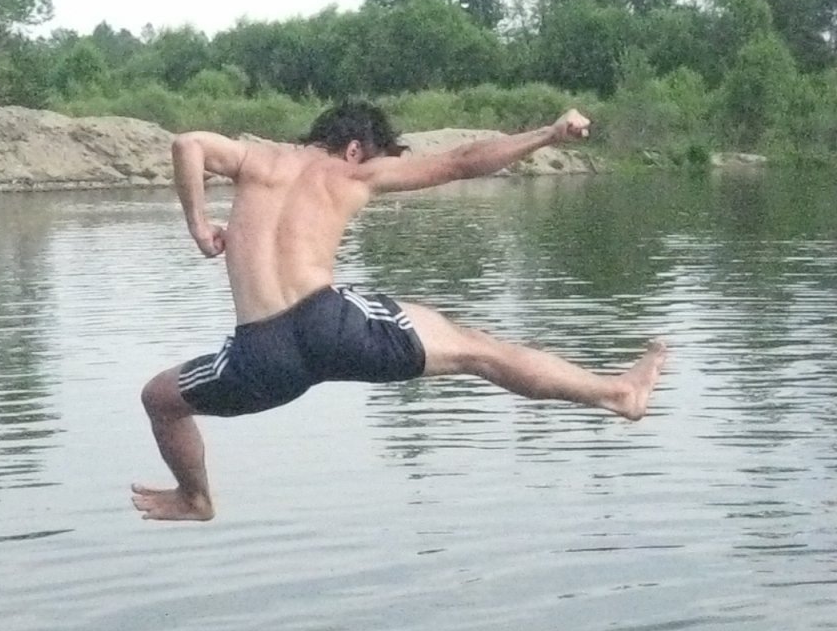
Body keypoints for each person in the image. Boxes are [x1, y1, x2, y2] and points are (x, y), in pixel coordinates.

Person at [131, 101, 667, 522]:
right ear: (355, 149)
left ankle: (195, 498)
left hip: (261, 356)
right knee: (479, 351)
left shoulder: (254, 160)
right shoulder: (352, 174)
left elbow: (187, 144)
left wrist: (199, 226)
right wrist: (548, 134)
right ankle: (616, 394)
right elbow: (460, 162)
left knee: (160, 399)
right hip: (329, 325)